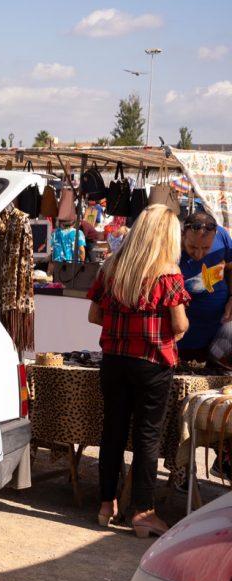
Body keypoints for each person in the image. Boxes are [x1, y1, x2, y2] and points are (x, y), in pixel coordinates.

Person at [87, 204, 190, 538]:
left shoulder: (112, 267)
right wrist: (182, 327)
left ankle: (106, 504)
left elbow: (95, 316)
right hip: (151, 362)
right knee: (147, 437)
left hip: (114, 360)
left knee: (113, 431)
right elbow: (178, 324)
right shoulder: (168, 273)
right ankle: (143, 512)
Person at [178, 210, 232, 361]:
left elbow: (230, 266)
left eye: (206, 248)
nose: (199, 254)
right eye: (193, 247)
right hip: (182, 341)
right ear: (183, 234)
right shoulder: (170, 247)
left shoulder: (221, 235)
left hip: (217, 337)